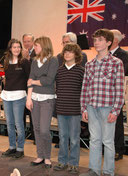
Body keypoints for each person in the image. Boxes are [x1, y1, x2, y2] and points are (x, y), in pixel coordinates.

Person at [80, 29, 124, 176]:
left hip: (108, 108)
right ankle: (94, 170)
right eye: (95, 40)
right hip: (91, 107)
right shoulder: (90, 64)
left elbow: (119, 89)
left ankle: (108, 172)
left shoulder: (116, 63)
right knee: (94, 140)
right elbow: (85, 87)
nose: (96, 42)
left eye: (100, 40)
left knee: (108, 141)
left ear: (109, 42)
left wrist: (115, 110)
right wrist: (84, 107)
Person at [26, 36, 58, 168]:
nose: (34, 48)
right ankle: (40, 156)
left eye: (37, 45)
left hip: (47, 99)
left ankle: (47, 157)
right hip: (34, 98)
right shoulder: (34, 61)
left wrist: (34, 81)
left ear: (44, 46)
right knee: (37, 129)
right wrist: (29, 98)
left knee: (44, 130)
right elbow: (30, 80)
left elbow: (49, 80)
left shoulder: (53, 60)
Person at [53, 43, 84, 174]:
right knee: (63, 137)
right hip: (61, 109)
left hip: (75, 110)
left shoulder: (81, 71)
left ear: (76, 55)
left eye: (70, 52)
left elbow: (84, 91)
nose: (67, 54)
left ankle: (73, 163)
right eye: (65, 52)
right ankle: (62, 161)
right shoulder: (58, 71)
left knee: (75, 139)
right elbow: (56, 88)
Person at [0, 39, 31, 159]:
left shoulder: (24, 62)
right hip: (7, 95)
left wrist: (29, 95)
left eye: (19, 47)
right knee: (9, 123)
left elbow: (29, 79)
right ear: (10, 49)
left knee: (19, 123)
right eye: (14, 47)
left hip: (20, 95)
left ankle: (20, 148)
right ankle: (12, 147)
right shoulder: (6, 61)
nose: (17, 49)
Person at [110, 29, 128, 161]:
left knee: (117, 123)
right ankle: (107, 147)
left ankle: (118, 149)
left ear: (114, 40)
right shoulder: (102, 55)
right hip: (102, 94)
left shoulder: (123, 55)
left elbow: (122, 73)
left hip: (116, 94)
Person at [22, 33, 35, 143]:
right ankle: (22, 135)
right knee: (21, 113)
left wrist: (28, 59)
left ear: (33, 42)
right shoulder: (19, 53)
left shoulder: (37, 54)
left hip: (33, 88)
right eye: (25, 41)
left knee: (33, 114)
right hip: (22, 88)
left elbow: (33, 71)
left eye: (28, 41)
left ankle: (35, 137)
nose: (26, 43)